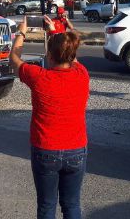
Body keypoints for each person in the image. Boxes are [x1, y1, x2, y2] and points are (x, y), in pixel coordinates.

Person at [10, 16, 90, 219]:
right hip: (76, 149)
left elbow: (14, 60)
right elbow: (72, 57)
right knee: (72, 204)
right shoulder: (82, 74)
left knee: (47, 205)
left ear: (50, 57)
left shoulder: (38, 76)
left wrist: (21, 32)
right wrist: (54, 32)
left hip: (45, 148)